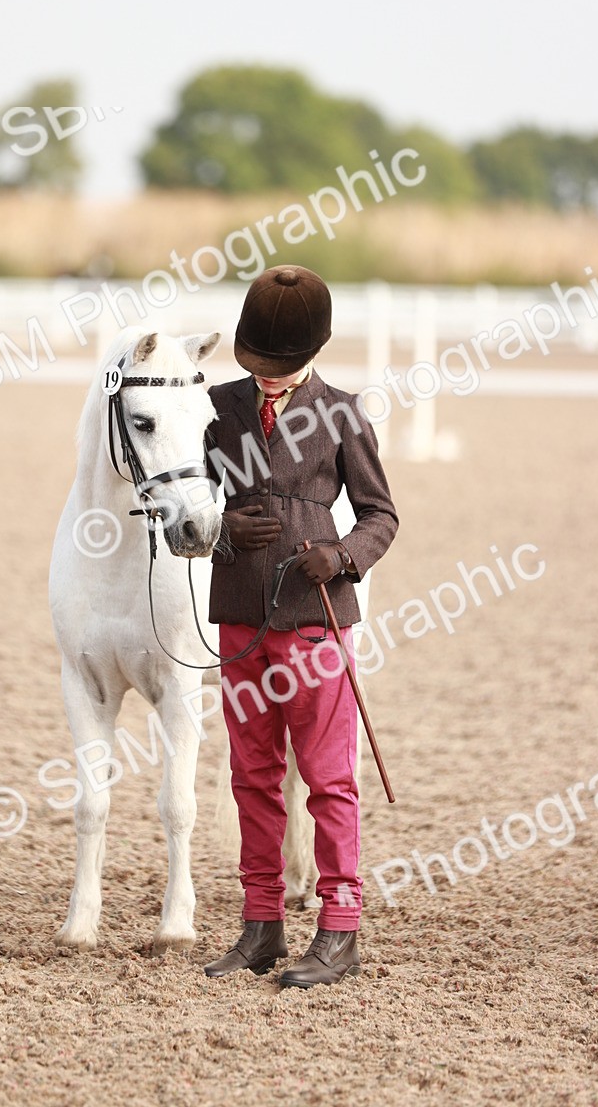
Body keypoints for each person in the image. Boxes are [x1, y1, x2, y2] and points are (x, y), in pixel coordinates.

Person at [203, 264, 398, 988]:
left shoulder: (343, 414)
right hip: (238, 618)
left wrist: (342, 555)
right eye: (259, 364)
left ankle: (340, 930)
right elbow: (181, 502)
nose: (268, 378)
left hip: (316, 620)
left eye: (281, 366)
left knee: (326, 778)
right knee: (251, 775)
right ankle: (261, 925)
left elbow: (381, 515)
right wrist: (220, 527)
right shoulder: (215, 407)